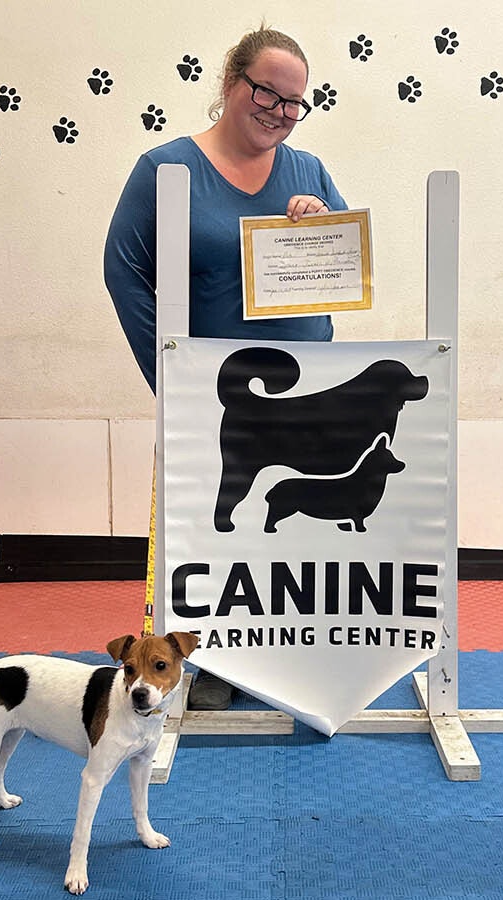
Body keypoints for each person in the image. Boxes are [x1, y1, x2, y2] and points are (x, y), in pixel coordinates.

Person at [103, 24, 348, 710]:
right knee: (211, 527)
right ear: (230, 83)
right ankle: (204, 664)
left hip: (302, 391)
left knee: (290, 524)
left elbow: (343, 267)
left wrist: (323, 224)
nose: (280, 110)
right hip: (213, 400)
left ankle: (284, 659)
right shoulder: (166, 168)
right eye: (267, 91)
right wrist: (171, 374)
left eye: (295, 101)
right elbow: (123, 272)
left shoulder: (309, 172)